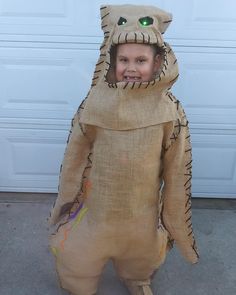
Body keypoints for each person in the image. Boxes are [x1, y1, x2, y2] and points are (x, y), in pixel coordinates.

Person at [49, 4, 199, 295]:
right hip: (96, 211)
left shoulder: (169, 110)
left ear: (157, 63)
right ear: (110, 60)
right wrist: (64, 201)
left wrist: (176, 219)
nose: (131, 67)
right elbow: (74, 158)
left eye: (141, 60)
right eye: (124, 60)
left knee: (142, 255)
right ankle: (80, 284)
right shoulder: (94, 104)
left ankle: (137, 278)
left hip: (141, 213)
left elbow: (177, 169)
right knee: (78, 258)